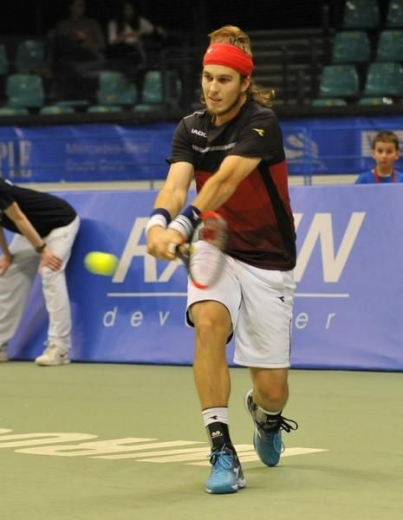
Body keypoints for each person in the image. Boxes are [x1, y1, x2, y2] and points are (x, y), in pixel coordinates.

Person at [145, 25, 298, 495]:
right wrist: (157, 220)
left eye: (224, 79)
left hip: (269, 256)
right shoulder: (189, 127)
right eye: (208, 77)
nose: (213, 87)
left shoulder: (261, 123)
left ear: (244, 83)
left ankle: (266, 417)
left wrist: (181, 225)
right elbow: (177, 184)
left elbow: (226, 181)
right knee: (209, 322)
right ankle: (221, 449)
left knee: (273, 390)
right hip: (215, 243)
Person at [0, 144, 80, 367]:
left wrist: (43, 251)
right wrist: (6, 254)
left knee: (51, 270)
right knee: (4, 272)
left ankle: (60, 348)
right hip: (31, 232)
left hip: (59, 223)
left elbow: (19, 218)